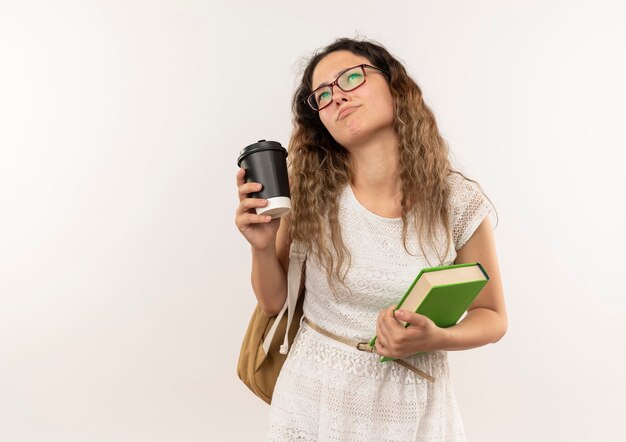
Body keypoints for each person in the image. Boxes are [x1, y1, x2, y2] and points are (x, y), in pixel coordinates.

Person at [235, 37, 508, 441]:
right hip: (312, 402)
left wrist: (437, 337)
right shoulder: (311, 191)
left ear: (394, 85)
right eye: (323, 95)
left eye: (351, 78)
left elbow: (492, 316)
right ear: (320, 121)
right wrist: (261, 246)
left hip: (412, 411)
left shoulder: (457, 201)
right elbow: (275, 301)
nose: (338, 97)